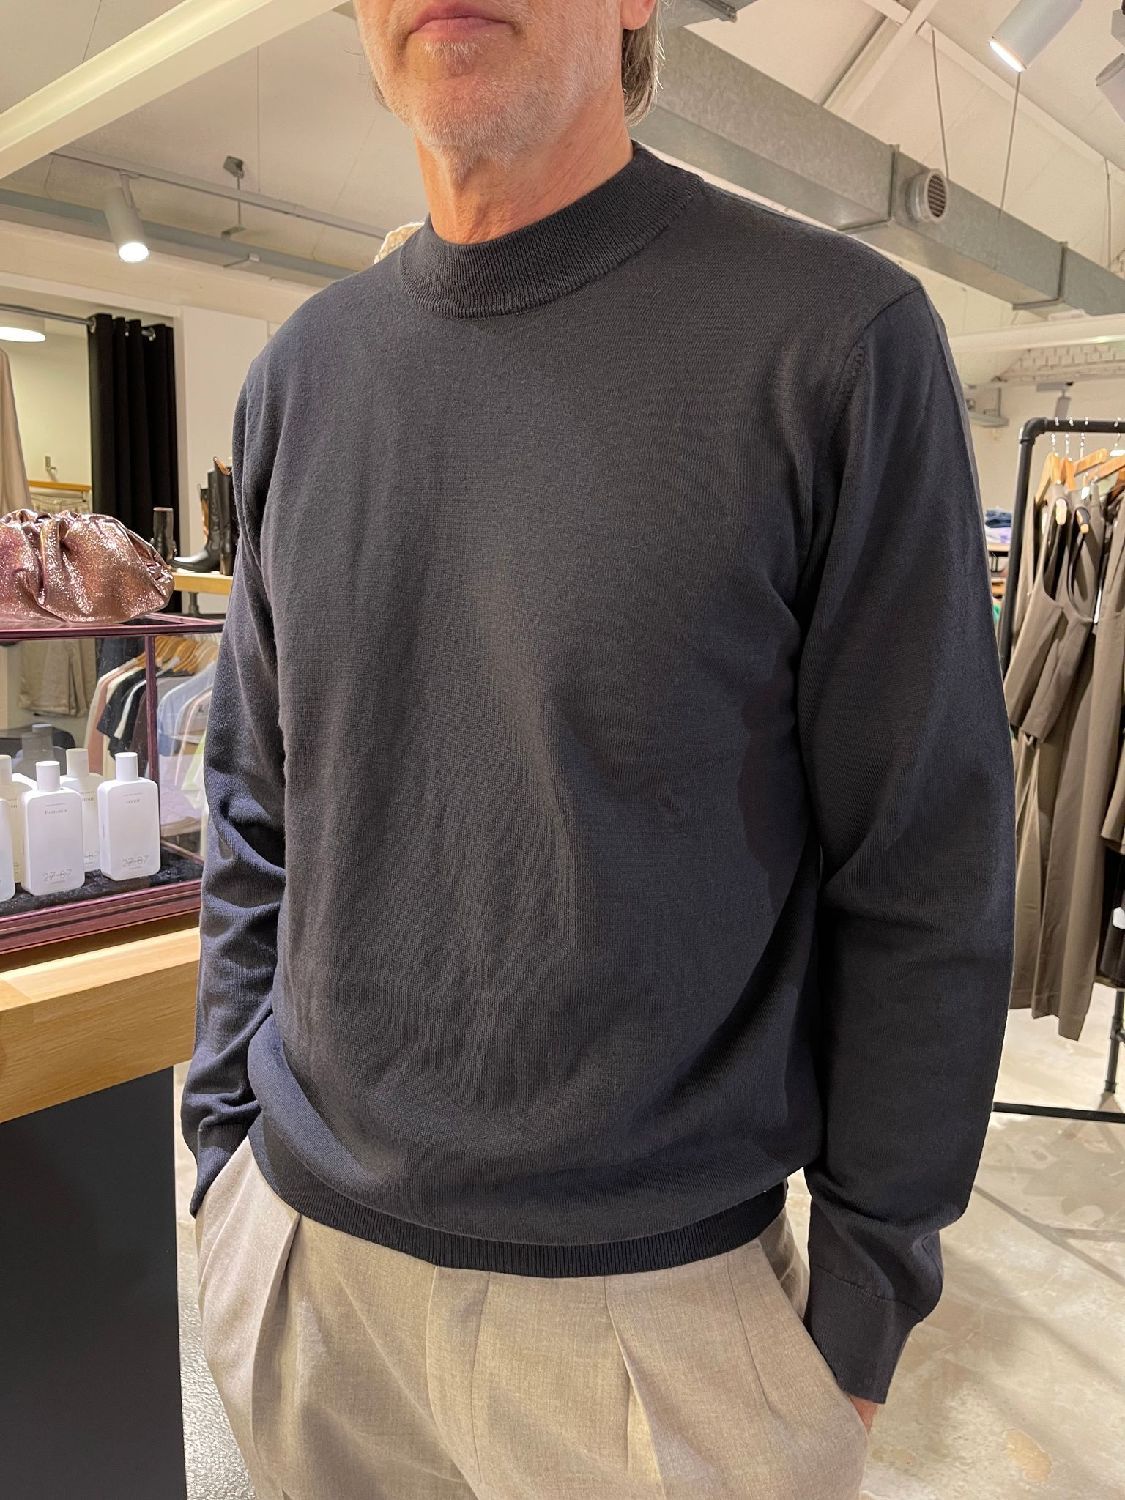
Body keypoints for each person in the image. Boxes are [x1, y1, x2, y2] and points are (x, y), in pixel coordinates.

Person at [182, 2, 1016, 1496]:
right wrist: (221, 1156)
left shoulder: (833, 342)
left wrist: (864, 1298)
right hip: (308, 1278)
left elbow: (923, 859)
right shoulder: (303, 375)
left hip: (657, 1331)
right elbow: (256, 800)